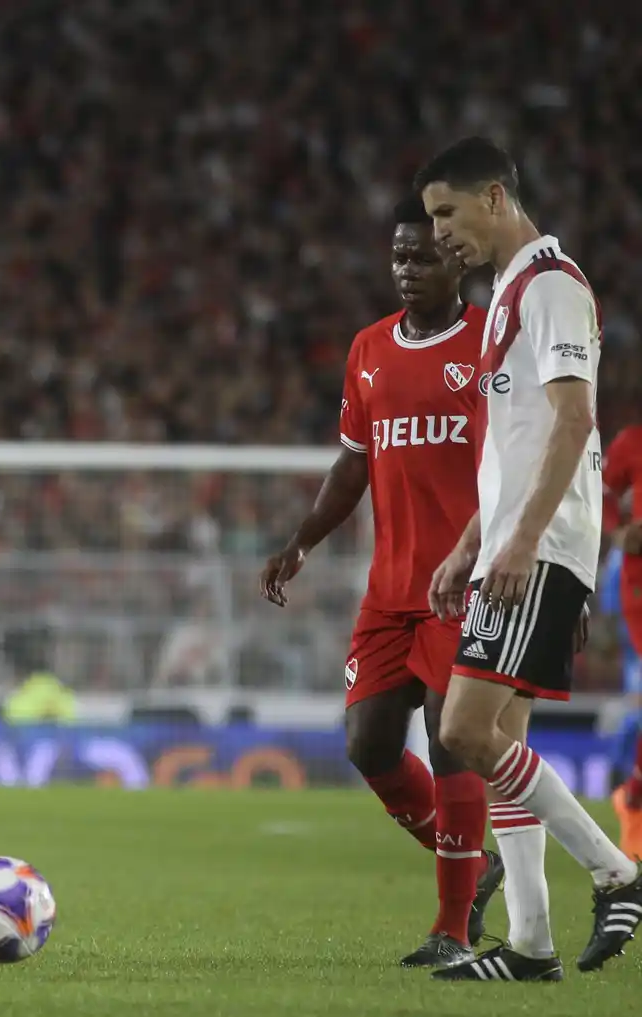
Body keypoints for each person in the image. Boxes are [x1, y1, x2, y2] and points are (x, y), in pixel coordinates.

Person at [417, 136, 641, 982]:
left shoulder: (550, 283)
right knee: (502, 736)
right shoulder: (513, 288)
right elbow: (518, 445)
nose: (440, 233)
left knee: (465, 729)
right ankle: (531, 944)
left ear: (497, 197)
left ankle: (618, 874)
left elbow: (575, 420)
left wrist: (516, 542)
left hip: (538, 547)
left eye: (448, 212)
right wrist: (472, 541)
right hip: (515, 544)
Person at [261, 196, 500, 968]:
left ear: (456, 260)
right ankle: (475, 860)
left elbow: (519, 463)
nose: (405, 268)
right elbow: (355, 461)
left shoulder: (488, 343)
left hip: (461, 584)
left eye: (421, 255)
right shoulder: (369, 349)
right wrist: (303, 539)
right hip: (388, 590)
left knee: (448, 735)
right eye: (398, 256)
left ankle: (453, 925)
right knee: (367, 745)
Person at [603, 422, 642, 859]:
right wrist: (618, 531)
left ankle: (633, 796)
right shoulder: (630, 440)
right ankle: (632, 802)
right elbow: (604, 493)